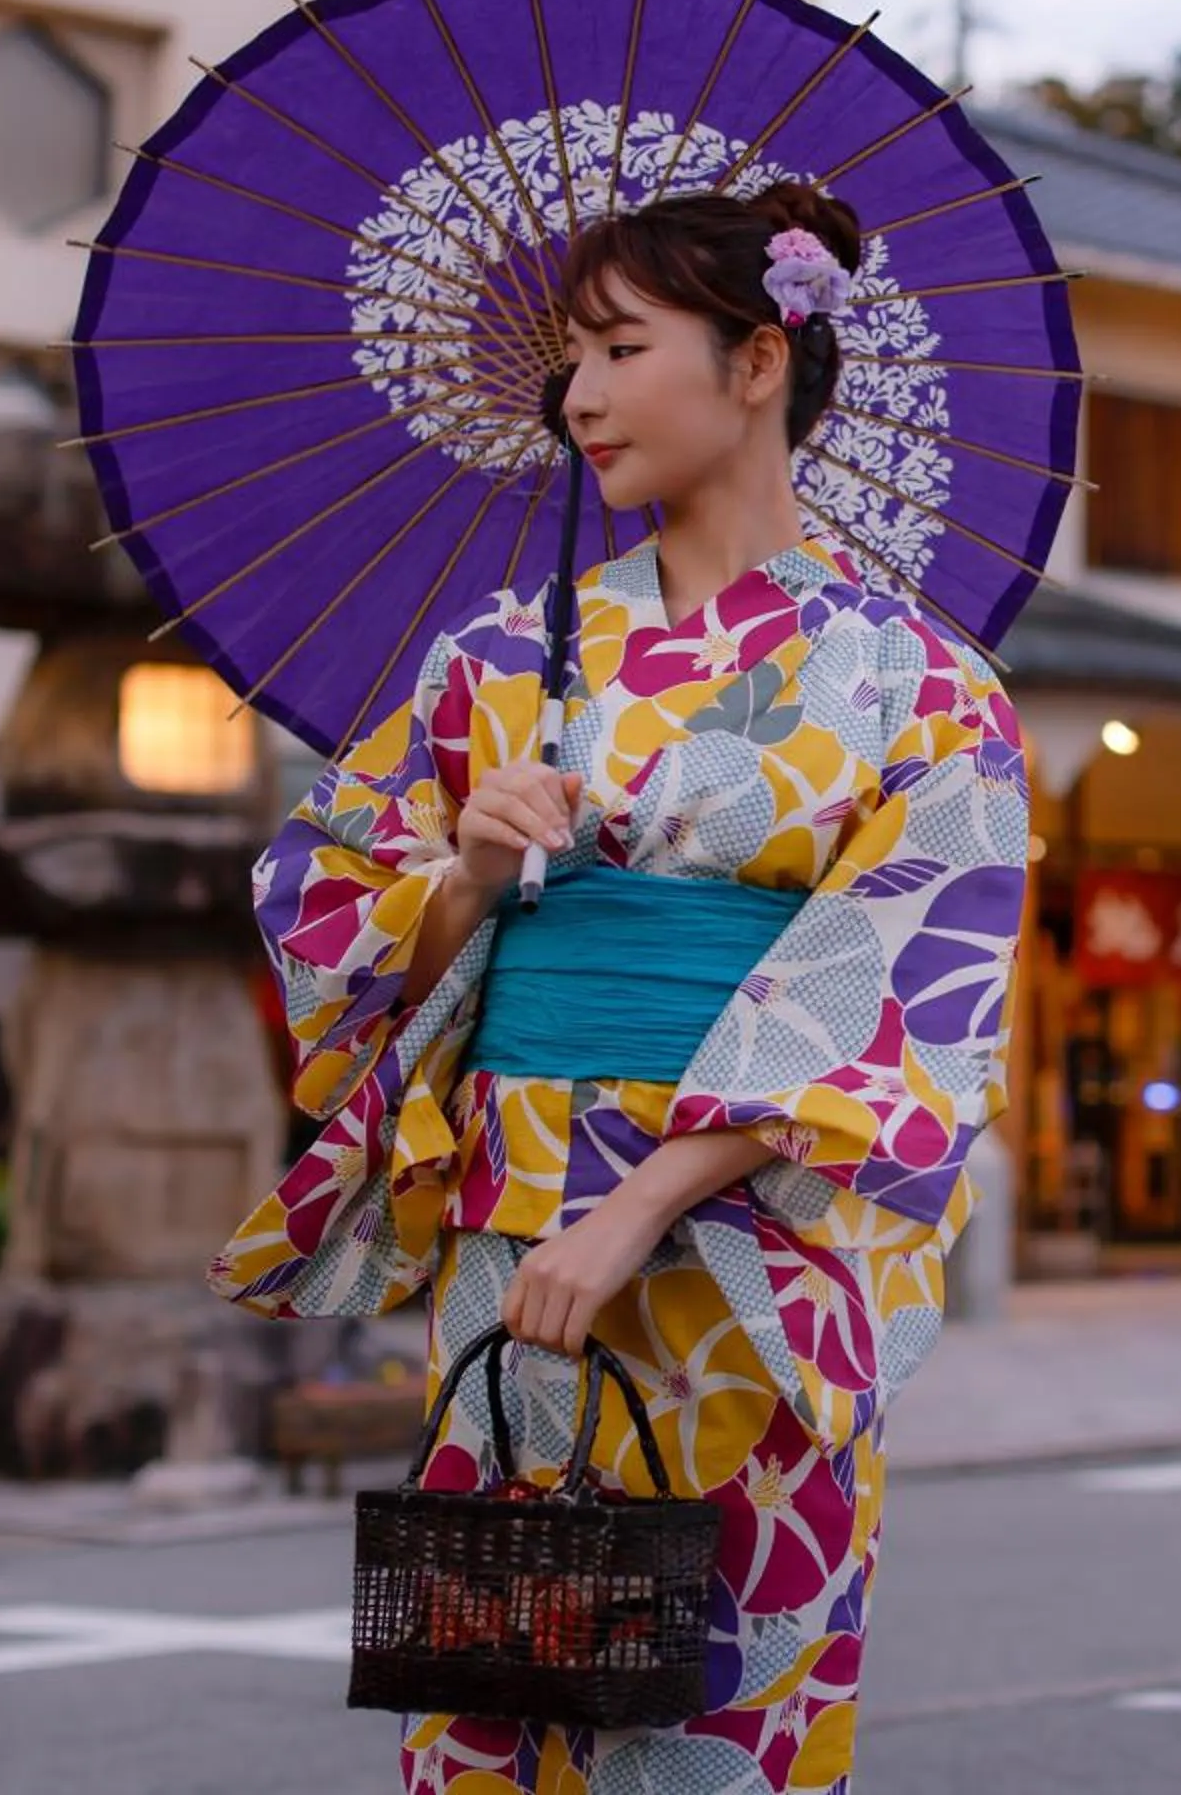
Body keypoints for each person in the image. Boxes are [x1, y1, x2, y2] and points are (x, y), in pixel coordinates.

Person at [208, 179, 1030, 1794]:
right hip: (514, 1247)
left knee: (721, 1707)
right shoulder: (499, 660)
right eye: (566, 357)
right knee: (497, 1686)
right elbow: (321, 912)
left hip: (748, 1257)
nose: (574, 395)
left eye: (617, 345)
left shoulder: (925, 687)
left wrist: (640, 1204)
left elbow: (907, 990)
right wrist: (461, 875)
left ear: (756, 364)